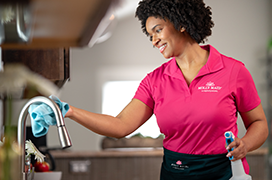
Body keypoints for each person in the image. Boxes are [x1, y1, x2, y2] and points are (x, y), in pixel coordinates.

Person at [65, 0, 268, 179]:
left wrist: (245, 145)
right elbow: (120, 125)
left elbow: (259, 123)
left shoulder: (234, 71)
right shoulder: (154, 81)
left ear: (180, 23)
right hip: (175, 173)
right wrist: (70, 111)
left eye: (158, 30)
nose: (154, 41)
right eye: (150, 35)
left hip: (225, 173)